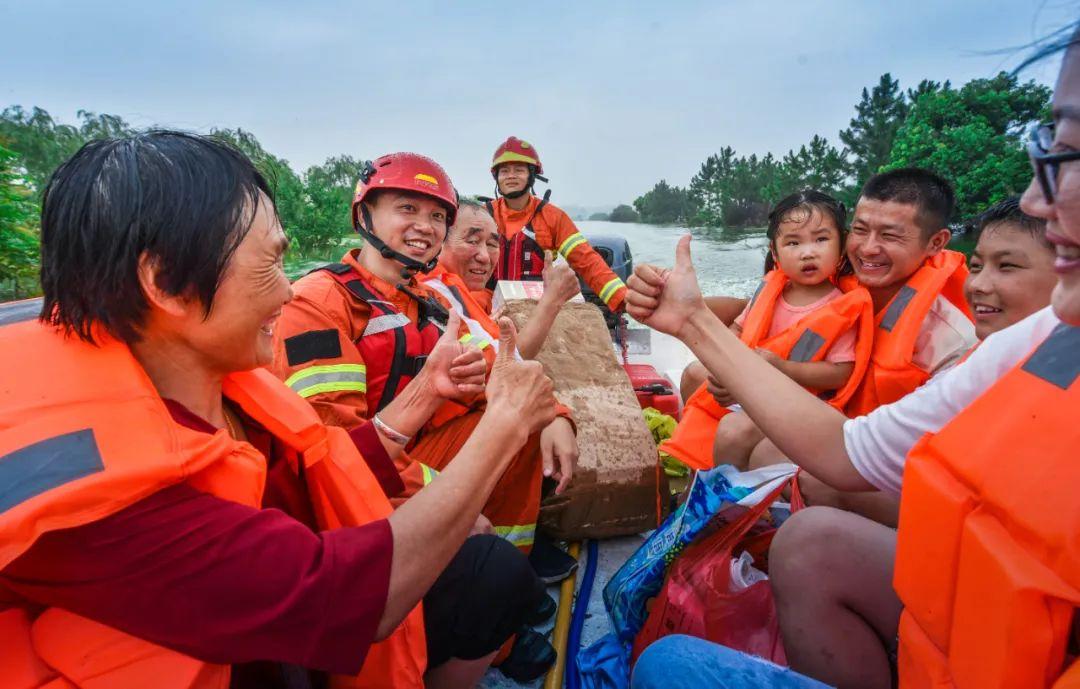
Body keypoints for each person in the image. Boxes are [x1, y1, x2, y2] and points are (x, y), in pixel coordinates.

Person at [0, 132, 558, 689]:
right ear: (166, 282)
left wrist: (424, 396)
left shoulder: (197, 380)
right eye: (270, 264)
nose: (286, 295)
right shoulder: (97, 507)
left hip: (263, 622)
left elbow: (308, 472)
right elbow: (342, 597)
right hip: (282, 631)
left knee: (490, 574)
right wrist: (504, 428)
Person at [624, 30, 1080, 684]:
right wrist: (695, 322)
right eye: (857, 231)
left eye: (1064, 154)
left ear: (932, 244)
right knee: (801, 522)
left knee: (668, 665)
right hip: (982, 597)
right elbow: (847, 443)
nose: (1038, 197)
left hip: (1004, 607)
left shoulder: (954, 332)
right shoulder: (1040, 341)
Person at [660, 191, 873, 471]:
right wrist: (725, 372)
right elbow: (737, 329)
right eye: (793, 243)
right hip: (751, 385)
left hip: (799, 402)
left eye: (821, 239)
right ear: (775, 252)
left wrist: (781, 367)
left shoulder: (842, 307)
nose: (808, 252)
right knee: (693, 374)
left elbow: (840, 373)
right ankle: (694, 458)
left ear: (842, 245)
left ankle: (730, 503)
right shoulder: (769, 292)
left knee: (733, 430)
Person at [423, 197, 583, 361]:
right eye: (472, 241)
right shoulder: (437, 289)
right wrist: (552, 299)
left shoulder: (450, 289)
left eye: (492, 244)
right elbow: (509, 362)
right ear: (438, 241)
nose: (485, 257)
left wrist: (484, 324)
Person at [485, 136, 628, 313]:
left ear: (532, 175)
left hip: (535, 309)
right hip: (485, 306)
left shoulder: (553, 217)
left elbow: (587, 261)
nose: (511, 176)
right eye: (504, 171)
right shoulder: (482, 216)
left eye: (519, 170)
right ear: (496, 177)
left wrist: (623, 299)